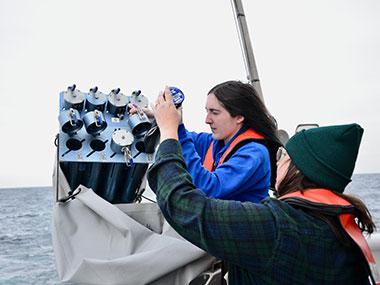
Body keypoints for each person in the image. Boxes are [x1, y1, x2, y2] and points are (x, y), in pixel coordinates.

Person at [147, 90, 378, 284]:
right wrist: (168, 123)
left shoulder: (276, 227)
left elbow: (184, 206)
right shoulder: (341, 228)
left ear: (299, 169)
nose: (276, 161)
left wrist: (168, 134)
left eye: (283, 155)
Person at [132, 81, 281, 203]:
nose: (207, 120)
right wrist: (157, 121)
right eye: (207, 111)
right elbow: (184, 138)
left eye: (214, 113)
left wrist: (170, 127)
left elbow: (209, 188)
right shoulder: (218, 142)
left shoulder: (254, 154)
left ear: (239, 117)